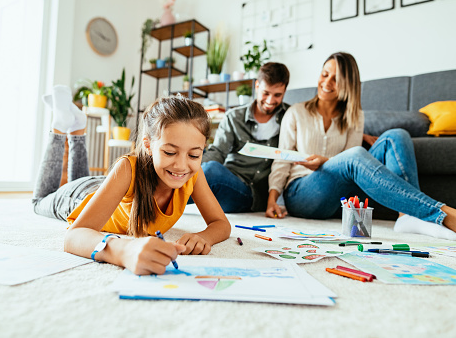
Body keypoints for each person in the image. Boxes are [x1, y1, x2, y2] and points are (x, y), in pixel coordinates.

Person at [33, 87, 231, 275]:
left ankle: (77, 127)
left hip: (109, 186)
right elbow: (74, 236)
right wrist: (123, 249)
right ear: (148, 145)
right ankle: (59, 128)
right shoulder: (128, 167)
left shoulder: (193, 175)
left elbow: (221, 223)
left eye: (194, 155)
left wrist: (204, 237)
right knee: (39, 200)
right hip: (77, 197)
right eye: (170, 152)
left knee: (78, 178)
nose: (181, 165)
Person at [266, 52, 456, 240]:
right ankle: (442, 213)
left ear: (348, 84)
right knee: (355, 155)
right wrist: (272, 199)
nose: (327, 83)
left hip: (340, 198)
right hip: (302, 193)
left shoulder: (354, 116)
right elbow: (281, 159)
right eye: (325, 74)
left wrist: (327, 161)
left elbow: (350, 171)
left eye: (336, 78)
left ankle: (405, 216)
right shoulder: (296, 112)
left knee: (396, 135)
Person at [201, 62, 290, 213]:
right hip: (227, 181)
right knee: (205, 167)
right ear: (256, 86)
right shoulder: (234, 117)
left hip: (252, 197)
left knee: (211, 171)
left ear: (285, 91)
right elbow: (217, 152)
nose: (270, 101)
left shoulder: (290, 117)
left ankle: (159, 201)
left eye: (277, 95)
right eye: (265, 93)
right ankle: (159, 201)